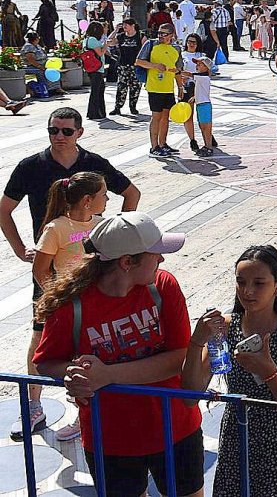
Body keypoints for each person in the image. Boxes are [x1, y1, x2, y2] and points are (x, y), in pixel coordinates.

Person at [32, 212, 202, 497]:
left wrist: (107, 375)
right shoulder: (71, 306)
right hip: (110, 440)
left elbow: (179, 358)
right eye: (155, 253)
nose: (162, 259)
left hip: (175, 428)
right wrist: (73, 374)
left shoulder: (163, 287)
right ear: (126, 262)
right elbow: (45, 362)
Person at [2, 107, 140, 439]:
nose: (59, 137)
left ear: (80, 132)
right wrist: (20, 249)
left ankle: (85, 413)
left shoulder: (94, 164)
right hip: (50, 273)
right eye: (53, 130)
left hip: (89, 274)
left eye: (66, 131)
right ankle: (34, 405)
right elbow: (4, 209)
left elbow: (131, 193)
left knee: (87, 339)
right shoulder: (31, 166)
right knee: (41, 338)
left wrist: (115, 239)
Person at [183, 245, 277, 497]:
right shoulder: (225, 327)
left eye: (259, 283)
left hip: (275, 449)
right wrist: (196, 342)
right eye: (241, 282)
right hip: (235, 442)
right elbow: (190, 396)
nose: (247, 291)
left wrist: (268, 372)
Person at [30, 171, 108, 441]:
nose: (107, 199)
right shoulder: (56, 229)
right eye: (103, 195)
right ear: (87, 200)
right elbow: (40, 269)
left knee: (92, 358)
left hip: (95, 306)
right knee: (71, 360)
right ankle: (74, 415)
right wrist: (58, 297)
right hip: (69, 308)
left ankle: (87, 416)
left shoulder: (101, 224)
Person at [136, 25, 185, 157]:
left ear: (171, 35)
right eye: (159, 33)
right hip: (154, 87)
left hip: (168, 88)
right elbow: (138, 61)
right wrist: (154, 66)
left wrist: (180, 87)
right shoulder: (150, 44)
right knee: (156, 116)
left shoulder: (176, 48)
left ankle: (163, 144)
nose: (160, 36)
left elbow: (178, 69)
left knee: (166, 117)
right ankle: (154, 147)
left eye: (164, 34)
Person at [109, 19, 144, 116]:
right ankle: (118, 107)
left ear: (133, 25)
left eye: (127, 25)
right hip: (123, 65)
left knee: (135, 87)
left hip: (136, 65)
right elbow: (109, 42)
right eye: (123, 24)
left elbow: (146, 50)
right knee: (121, 87)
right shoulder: (121, 36)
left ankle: (133, 106)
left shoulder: (140, 36)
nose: (124, 26)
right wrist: (115, 30)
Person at [83, 21, 108, 121]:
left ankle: (100, 112)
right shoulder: (92, 40)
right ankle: (94, 113)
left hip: (93, 68)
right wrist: (106, 45)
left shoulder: (86, 39)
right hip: (96, 68)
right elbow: (100, 53)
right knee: (96, 91)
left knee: (99, 90)